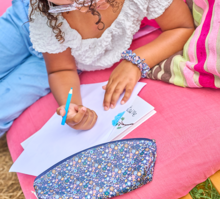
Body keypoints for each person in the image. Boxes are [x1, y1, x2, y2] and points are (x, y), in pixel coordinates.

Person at [0, 0, 194, 137]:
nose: (82, 7)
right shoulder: (46, 8)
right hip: (23, 25)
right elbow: (58, 69)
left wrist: (75, 110)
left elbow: (181, 27)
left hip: (62, 60)